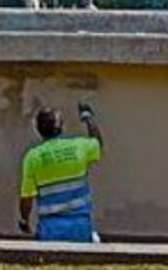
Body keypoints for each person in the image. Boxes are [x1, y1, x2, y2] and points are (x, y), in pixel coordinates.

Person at [18, 103, 104, 242]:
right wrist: (88, 118)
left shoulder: (33, 157)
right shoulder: (79, 146)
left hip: (50, 229)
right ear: (61, 127)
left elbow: (27, 197)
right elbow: (97, 143)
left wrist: (24, 220)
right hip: (80, 226)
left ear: (38, 129)